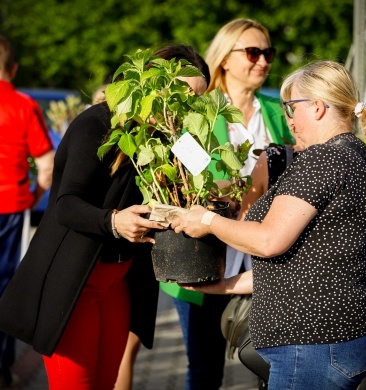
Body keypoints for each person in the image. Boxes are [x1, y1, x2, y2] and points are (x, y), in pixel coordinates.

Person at [0, 44, 210, 390]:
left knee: (106, 382)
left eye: (197, 99)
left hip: (119, 282)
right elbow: (65, 204)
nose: (186, 106)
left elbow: (205, 175)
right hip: (76, 283)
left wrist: (220, 194)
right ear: (151, 82)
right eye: (183, 93)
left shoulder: (169, 133)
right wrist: (113, 221)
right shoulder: (94, 124)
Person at [171, 60, 366, 390]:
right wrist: (220, 286)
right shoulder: (354, 153)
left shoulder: (323, 159)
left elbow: (268, 240)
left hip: (314, 342)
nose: (287, 119)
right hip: (340, 336)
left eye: (290, 107)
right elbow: (304, 263)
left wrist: (207, 220)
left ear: (317, 107)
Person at [160, 18, 294, 390]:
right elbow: (186, 181)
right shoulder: (198, 109)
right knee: (204, 371)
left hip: (262, 257)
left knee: (267, 365)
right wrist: (242, 188)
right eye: (253, 52)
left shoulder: (276, 111)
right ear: (225, 59)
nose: (263, 61)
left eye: (268, 53)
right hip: (203, 253)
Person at [0, 35, 55, 387]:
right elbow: (47, 165)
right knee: (5, 286)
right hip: (10, 206)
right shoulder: (22, 105)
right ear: (14, 68)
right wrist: (32, 197)